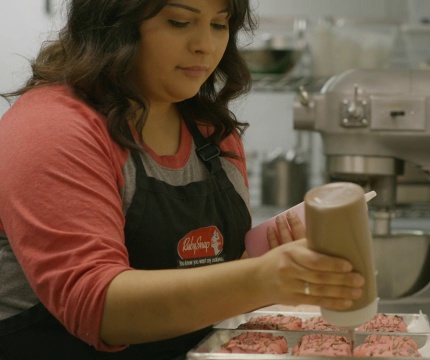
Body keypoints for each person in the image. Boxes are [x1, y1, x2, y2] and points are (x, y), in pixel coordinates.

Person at [0, 0, 365, 359]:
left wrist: (270, 259)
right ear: (115, 25)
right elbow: (98, 306)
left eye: (219, 25)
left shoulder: (212, 133)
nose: (205, 45)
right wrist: (260, 278)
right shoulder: (52, 128)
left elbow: (215, 282)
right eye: (179, 22)